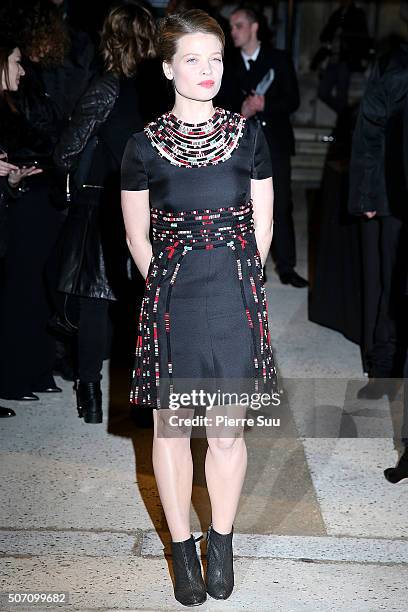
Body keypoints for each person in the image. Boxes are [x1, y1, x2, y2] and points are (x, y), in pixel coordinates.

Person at [121, 9, 277, 606]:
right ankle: (182, 550)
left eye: (215, 58)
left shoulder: (248, 137)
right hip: (174, 298)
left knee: (227, 434)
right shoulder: (143, 147)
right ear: (167, 68)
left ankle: (222, 541)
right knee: (171, 430)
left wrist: (247, 284)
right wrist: (165, 287)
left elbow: (263, 224)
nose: (209, 69)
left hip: (234, 294)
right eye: (193, 58)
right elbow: (138, 239)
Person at [53, 2, 157, 424]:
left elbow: (65, 154)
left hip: (104, 201)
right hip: (151, 204)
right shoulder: (162, 92)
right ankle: (137, 399)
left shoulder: (106, 87)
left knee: (95, 301)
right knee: (138, 301)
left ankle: (91, 394)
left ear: (110, 39)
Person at [218, 5, 307, 288]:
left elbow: (293, 100)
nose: (233, 32)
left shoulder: (278, 59)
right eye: (231, 27)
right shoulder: (227, 64)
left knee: (281, 204)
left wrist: (266, 105)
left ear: (254, 27)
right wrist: (241, 110)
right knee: (246, 207)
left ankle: (287, 266)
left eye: (238, 26)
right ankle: (255, 265)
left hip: (276, 143)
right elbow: (220, 103)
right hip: (243, 144)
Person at [0, 39, 62, 403]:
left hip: (15, 205)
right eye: (16, 62)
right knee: (18, 291)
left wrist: (11, 178)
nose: (22, 71)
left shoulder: (9, 104)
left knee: (31, 289)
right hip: (15, 216)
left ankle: (25, 373)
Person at [313, 0, 370, 115]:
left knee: (341, 95)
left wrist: (360, 56)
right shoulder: (337, 14)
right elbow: (324, 35)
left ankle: (344, 120)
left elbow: (362, 37)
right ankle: (346, 116)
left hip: (346, 60)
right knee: (323, 92)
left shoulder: (357, 14)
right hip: (332, 59)